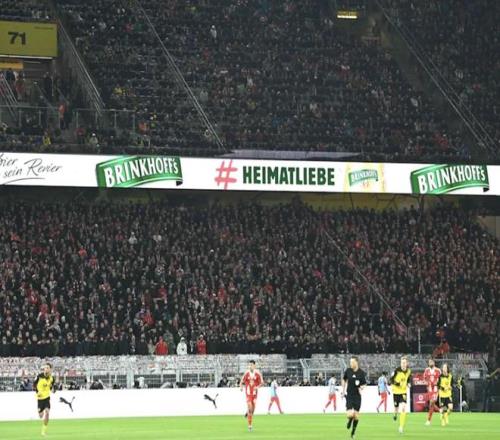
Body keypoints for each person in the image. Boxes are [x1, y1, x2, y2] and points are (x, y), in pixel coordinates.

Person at [342, 356, 366, 439]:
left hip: (357, 396)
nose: (351, 364)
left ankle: (353, 432)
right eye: (350, 362)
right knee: (350, 414)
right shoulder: (348, 371)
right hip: (349, 395)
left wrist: (362, 387)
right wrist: (343, 391)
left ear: (356, 362)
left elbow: (364, 383)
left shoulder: (361, 373)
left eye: (352, 362)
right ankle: (349, 420)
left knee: (356, 416)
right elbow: (344, 380)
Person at [240, 360, 263, 431]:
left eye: (251, 365)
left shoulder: (258, 373)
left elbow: (262, 383)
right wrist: (241, 387)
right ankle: (250, 426)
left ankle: (247, 413)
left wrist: (257, 387)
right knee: (250, 407)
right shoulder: (246, 373)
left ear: (254, 366)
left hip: (255, 394)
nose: (250, 366)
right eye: (249, 365)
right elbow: (242, 381)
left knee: (252, 411)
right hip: (248, 394)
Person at [33, 363, 56, 436]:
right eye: (45, 368)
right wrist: (37, 392)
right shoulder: (39, 376)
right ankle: (41, 412)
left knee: (47, 412)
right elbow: (34, 385)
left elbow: (51, 387)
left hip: (47, 398)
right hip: (40, 399)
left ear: (50, 369)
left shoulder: (52, 378)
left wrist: (53, 390)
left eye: (47, 368)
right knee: (40, 415)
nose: (46, 369)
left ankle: (43, 431)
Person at [390, 356, 411, 434]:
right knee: (396, 408)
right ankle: (395, 414)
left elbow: (409, 378)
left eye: (404, 363)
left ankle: (401, 427)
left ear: (407, 363)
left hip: (403, 392)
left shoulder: (409, 371)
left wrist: (409, 383)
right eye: (402, 363)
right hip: (396, 392)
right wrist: (397, 384)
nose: (403, 364)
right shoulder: (396, 371)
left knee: (403, 408)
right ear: (400, 363)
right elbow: (391, 380)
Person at [423, 358, 441, 426]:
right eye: (429, 362)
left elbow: (441, 379)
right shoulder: (426, 370)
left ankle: (429, 420)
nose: (430, 363)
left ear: (434, 363)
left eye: (431, 362)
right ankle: (440, 411)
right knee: (431, 404)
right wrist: (427, 383)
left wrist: (438, 384)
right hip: (430, 389)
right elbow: (424, 378)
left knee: (432, 402)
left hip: (435, 389)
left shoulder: (438, 370)